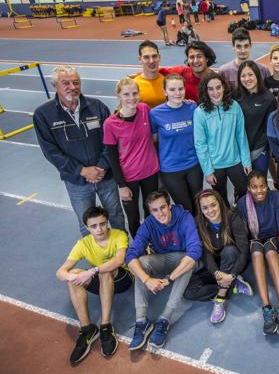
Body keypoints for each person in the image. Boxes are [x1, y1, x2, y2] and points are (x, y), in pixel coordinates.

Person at [33, 65, 125, 236]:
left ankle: (124, 257)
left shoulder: (97, 107)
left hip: (105, 176)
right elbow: (51, 151)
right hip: (76, 182)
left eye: (76, 82)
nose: (72, 87)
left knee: (117, 217)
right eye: (65, 83)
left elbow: (111, 141)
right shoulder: (43, 114)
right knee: (86, 223)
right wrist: (81, 171)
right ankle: (96, 261)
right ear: (55, 86)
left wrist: (102, 167)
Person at [125, 191, 201, 350]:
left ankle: (165, 318)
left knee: (189, 261)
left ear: (170, 206)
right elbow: (130, 256)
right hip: (163, 260)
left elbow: (195, 251)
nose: (160, 213)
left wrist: (170, 279)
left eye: (163, 207)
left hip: (183, 259)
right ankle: (141, 320)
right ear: (150, 211)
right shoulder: (148, 224)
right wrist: (147, 279)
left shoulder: (184, 217)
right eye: (155, 210)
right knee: (140, 262)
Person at [56, 207, 131, 364]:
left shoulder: (119, 235)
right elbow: (60, 272)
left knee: (104, 271)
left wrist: (92, 271)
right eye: (94, 226)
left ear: (107, 222)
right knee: (74, 274)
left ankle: (105, 327)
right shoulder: (83, 243)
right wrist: (72, 276)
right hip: (100, 281)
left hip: (121, 279)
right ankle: (87, 329)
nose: (99, 229)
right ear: (87, 227)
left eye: (103, 224)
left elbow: (118, 260)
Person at [183, 189, 254, 324]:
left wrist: (232, 274)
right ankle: (232, 285)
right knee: (189, 292)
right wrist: (217, 273)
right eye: (205, 207)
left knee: (229, 251)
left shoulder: (233, 217)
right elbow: (206, 254)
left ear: (219, 204)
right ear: (201, 210)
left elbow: (244, 251)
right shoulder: (199, 223)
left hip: (234, 261)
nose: (210, 210)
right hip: (216, 267)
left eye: (213, 205)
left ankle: (220, 299)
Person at [236, 171, 279, 335]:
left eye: (262, 186)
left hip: (273, 238)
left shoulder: (276, 198)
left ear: (267, 185)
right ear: (249, 188)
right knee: (256, 253)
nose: (259, 191)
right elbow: (242, 233)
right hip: (254, 240)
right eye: (254, 187)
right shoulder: (242, 203)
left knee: (269, 251)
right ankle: (267, 308)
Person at [104, 77, 160, 238]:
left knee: (151, 210)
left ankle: (153, 241)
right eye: (126, 94)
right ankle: (139, 246)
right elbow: (112, 157)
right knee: (134, 217)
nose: (131, 98)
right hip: (129, 178)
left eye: (135, 93)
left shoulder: (144, 109)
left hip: (150, 172)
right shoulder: (110, 124)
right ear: (119, 96)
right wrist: (121, 185)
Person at [193, 73, 252, 206]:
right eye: (210, 89)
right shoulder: (200, 113)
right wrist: (208, 170)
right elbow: (200, 145)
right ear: (205, 91)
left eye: (218, 87)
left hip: (235, 161)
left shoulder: (234, 106)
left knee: (244, 192)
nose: (215, 92)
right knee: (220, 198)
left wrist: (246, 161)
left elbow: (241, 135)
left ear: (224, 88)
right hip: (215, 165)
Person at [150, 74, 203, 214]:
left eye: (180, 89)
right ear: (164, 91)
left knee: (199, 205)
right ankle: (190, 235)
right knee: (185, 209)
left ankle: (202, 234)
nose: (177, 93)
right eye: (172, 89)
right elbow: (154, 139)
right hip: (171, 169)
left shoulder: (192, 107)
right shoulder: (155, 113)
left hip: (193, 165)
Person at [237, 60, 277, 175]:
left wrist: (256, 151)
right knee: (242, 184)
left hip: (259, 150)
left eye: (250, 74)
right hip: (239, 150)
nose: (247, 79)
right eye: (243, 75)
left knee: (259, 182)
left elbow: (268, 129)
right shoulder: (236, 95)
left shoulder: (268, 99)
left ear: (257, 76)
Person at [134, 40, 167, 107]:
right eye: (146, 57)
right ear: (140, 59)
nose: (151, 61)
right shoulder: (134, 85)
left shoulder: (167, 82)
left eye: (154, 56)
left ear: (159, 58)